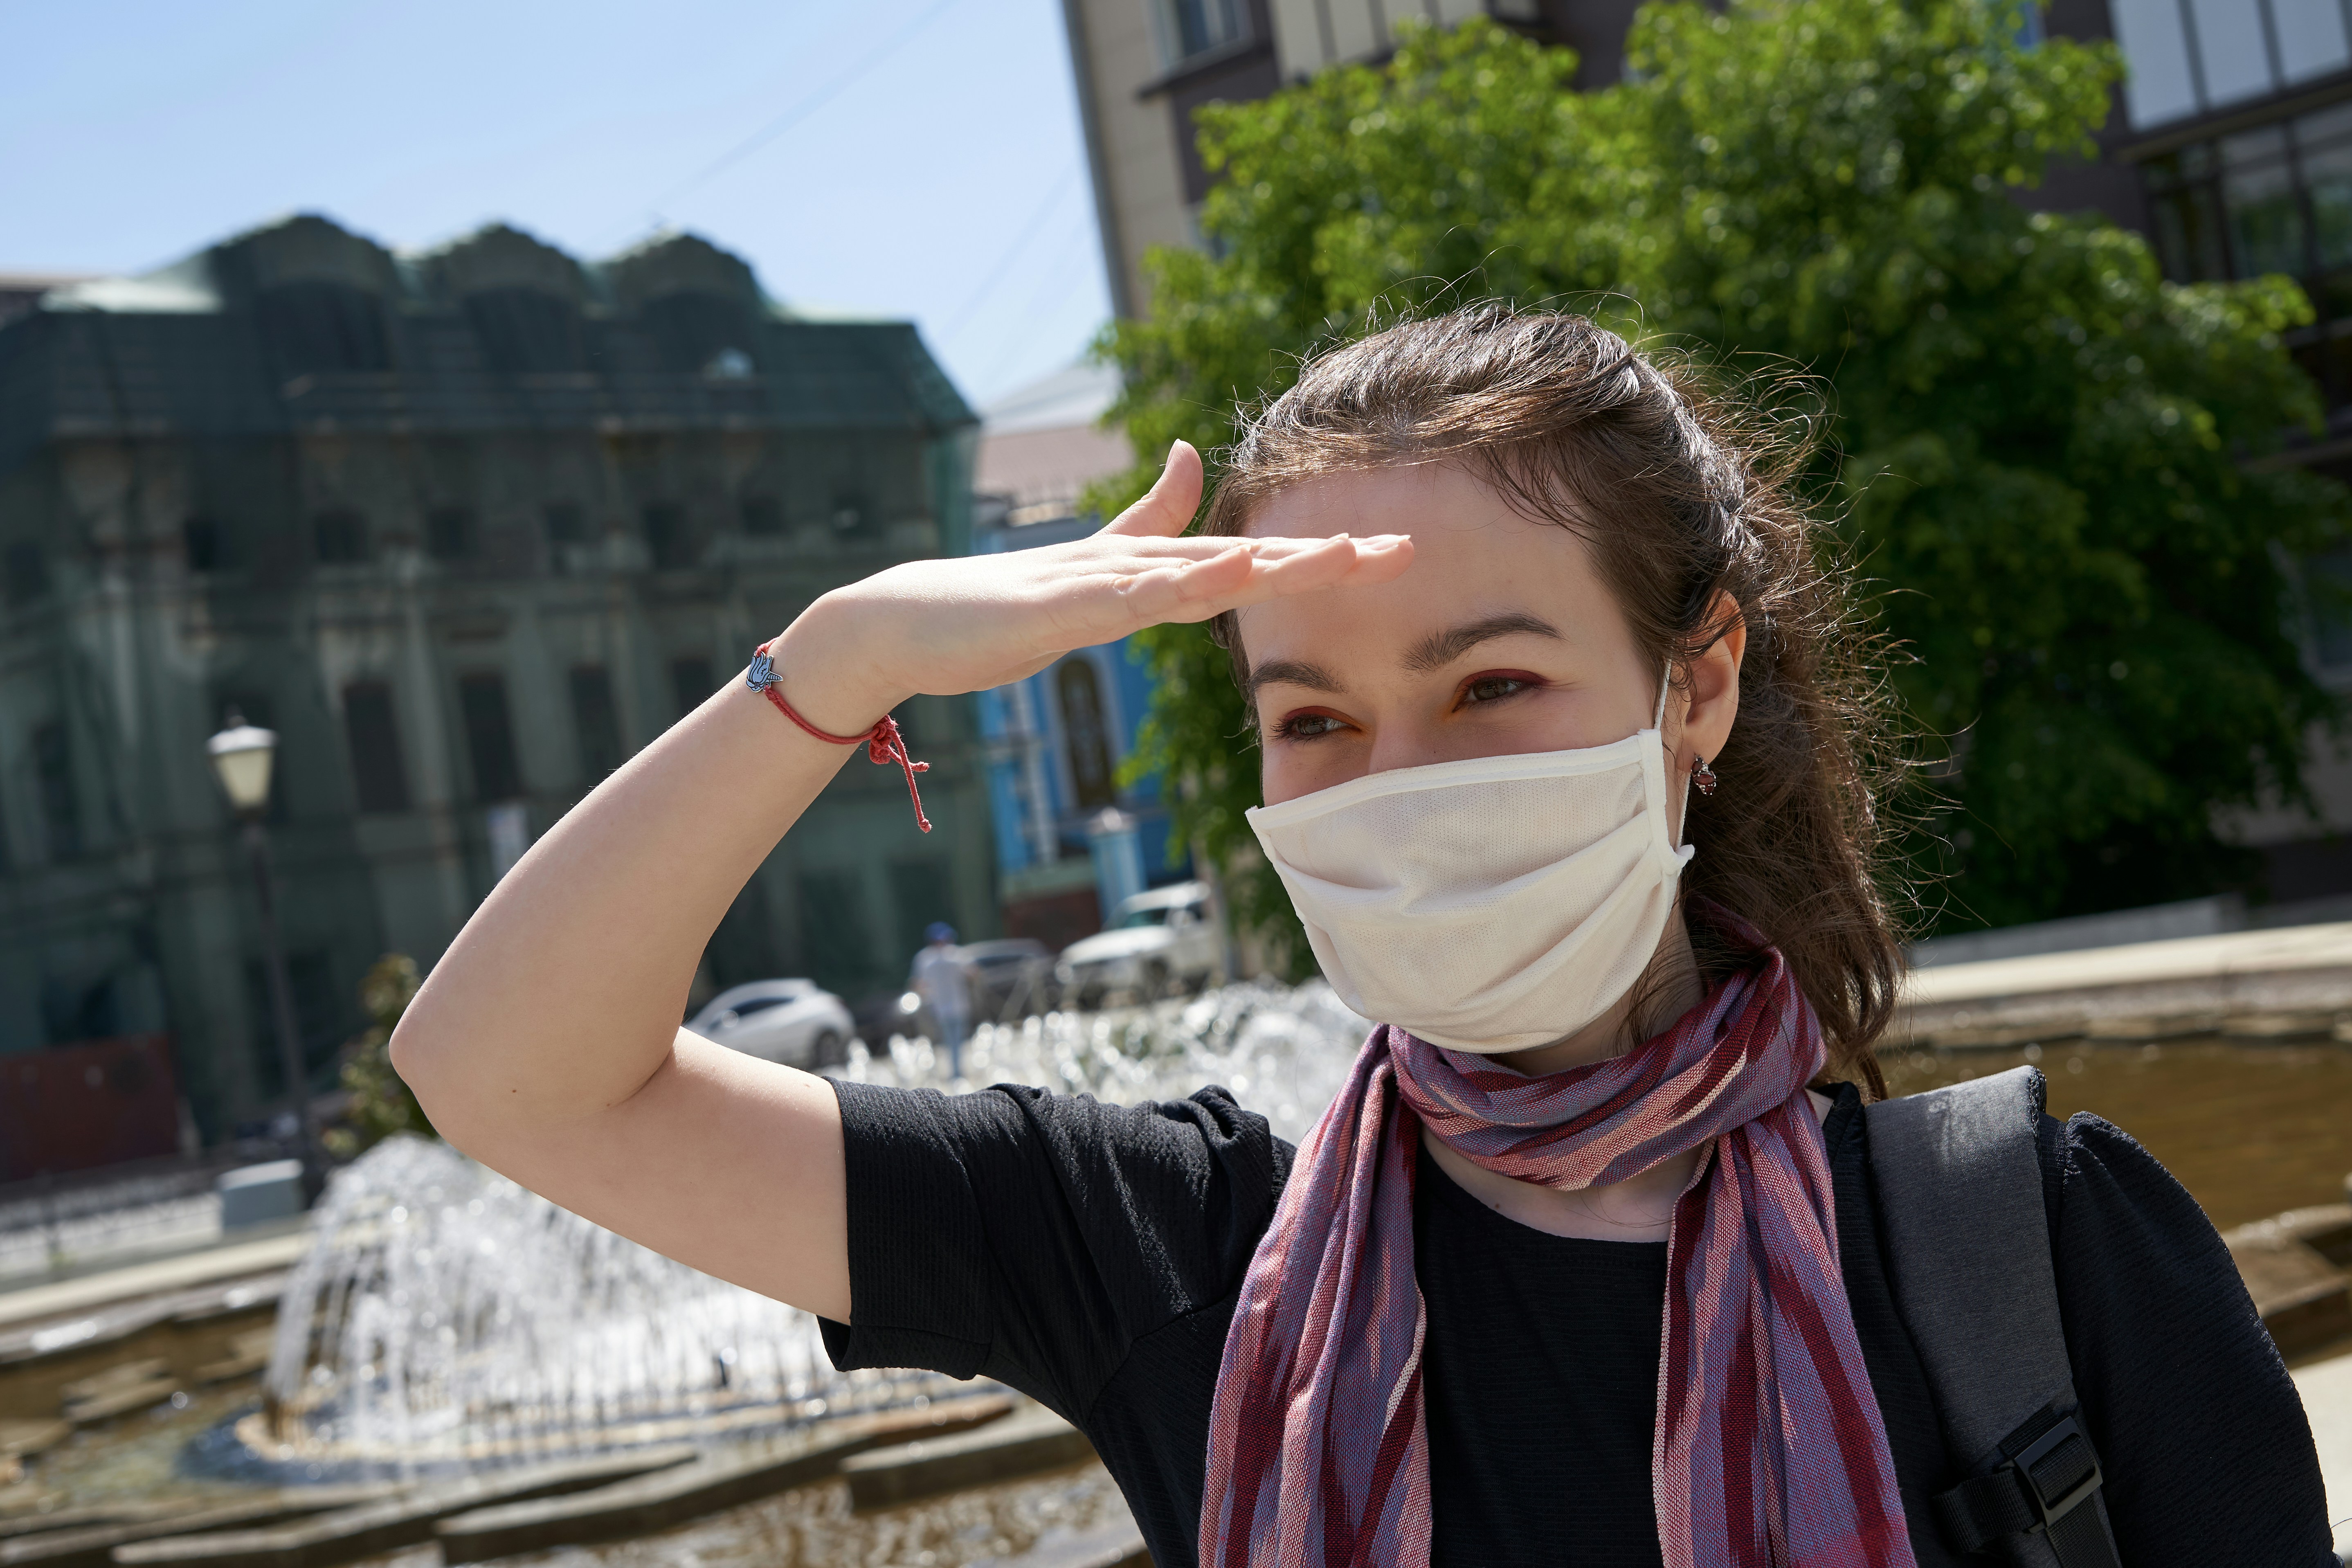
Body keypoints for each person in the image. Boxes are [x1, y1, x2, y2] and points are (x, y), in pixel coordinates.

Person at [391, 306, 2334, 1566]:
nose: (1393, 778)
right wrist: (843, 660)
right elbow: (506, 1073)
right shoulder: (1172, 1250)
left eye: (1489, 683)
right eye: (1311, 715)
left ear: (1695, 685)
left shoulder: (2033, 1248)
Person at [910, 921, 971, 1079]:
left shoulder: (927, 958)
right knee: (950, 1041)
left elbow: (917, 984)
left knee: (954, 1040)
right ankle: (955, 1071)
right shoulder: (954, 955)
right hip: (943, 1007)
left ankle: (956, 1071)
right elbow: (973, 974)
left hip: (951, 1006)